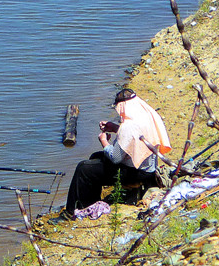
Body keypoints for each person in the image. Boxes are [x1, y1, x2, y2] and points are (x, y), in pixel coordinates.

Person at [64, 88, 172, 216]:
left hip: (136, 172)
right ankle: (92, 200)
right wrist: (115, 127)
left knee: (84, 168)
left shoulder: (129, 126)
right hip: (148, 168)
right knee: (95, 157)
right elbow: (135, 135)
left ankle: (72, 211)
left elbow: (116, 158)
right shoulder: (146, 115)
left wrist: (104, 141)